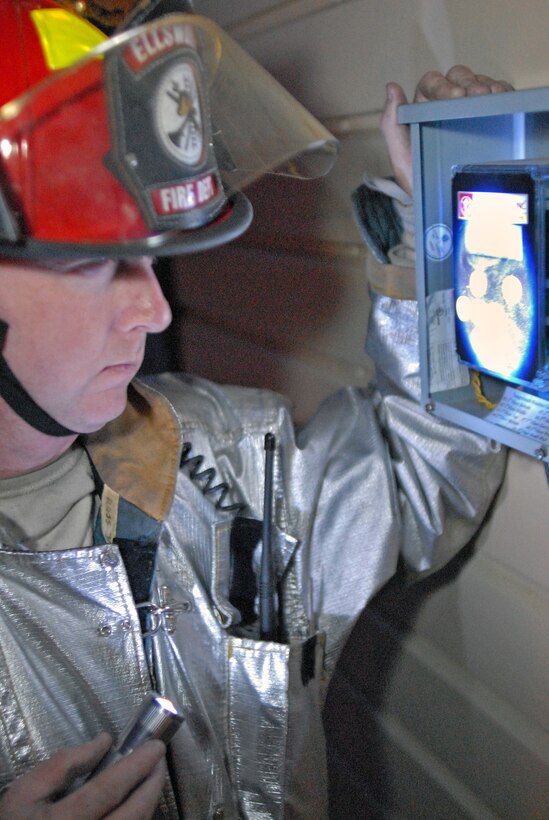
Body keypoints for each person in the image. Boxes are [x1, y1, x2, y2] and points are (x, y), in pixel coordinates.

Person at [0, 0, 510, 815]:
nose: (155, 311)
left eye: (150, 257)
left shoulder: (216, 449)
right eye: (100, 263)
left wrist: (437, 228)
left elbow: (413, 471)